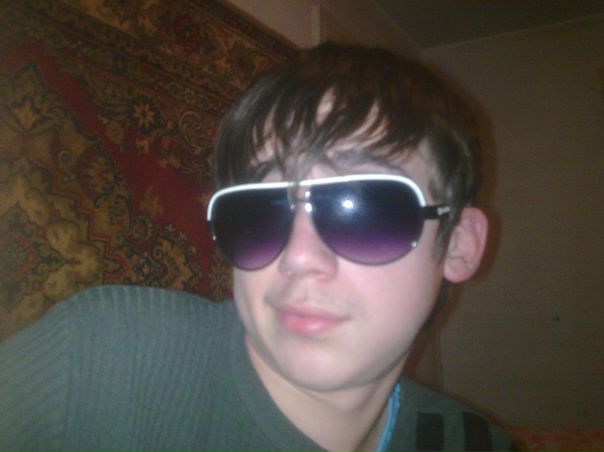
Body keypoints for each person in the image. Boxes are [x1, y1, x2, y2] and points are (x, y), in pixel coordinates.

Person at [0, 43, 515, 451]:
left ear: (459, 244)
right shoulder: (104, 362)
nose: (298, 257)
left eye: (362, 208)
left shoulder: (472, 442)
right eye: (260, 209)